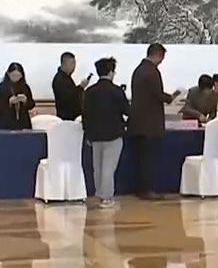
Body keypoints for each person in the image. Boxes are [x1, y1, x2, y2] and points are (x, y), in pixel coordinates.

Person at [129, 44, 180, 200]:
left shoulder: (139, 70)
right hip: (150, 125)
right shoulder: (152, 72)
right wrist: (171, 97)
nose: (162, 61)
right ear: (158, 55)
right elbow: (157, 94)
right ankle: (147, 190)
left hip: (138, 123)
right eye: (162, 57)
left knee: (140, 159)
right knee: (149, 159)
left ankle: (140, 189)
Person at [82, 57, 129, 208]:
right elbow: (127, 111)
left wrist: (88, 133)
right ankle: (107, 198)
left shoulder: (89, 92)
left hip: (95, 135)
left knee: (98, 167)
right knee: (109, 167)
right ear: (110, 72)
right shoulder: (117, 91)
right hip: (113, 134)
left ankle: (100, 194)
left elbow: (85, 114)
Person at [52, 51, 89, 121]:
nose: (74, 66)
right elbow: (68, 97)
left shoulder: (66, 77)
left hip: (71, 116)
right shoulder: (60, 79)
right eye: (72, 63)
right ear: (64, 64)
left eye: (75, 63)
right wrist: (81, 87)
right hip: (66, 117)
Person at [0, 63, 36, 130]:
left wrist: (25, 100)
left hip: (23, 122)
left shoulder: (25, 87)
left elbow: (32, 104)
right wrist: (9, 102)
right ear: (8, 74)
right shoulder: (2, 88)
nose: (16, 78)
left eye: (18, 75)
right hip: (6, 122)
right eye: (13, 75)